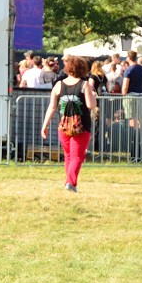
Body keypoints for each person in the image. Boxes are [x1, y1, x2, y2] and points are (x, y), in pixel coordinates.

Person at [39, 54, 98, 193]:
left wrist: (45, 125)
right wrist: (94, 96)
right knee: (77, 156)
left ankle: (69, 181)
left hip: (64, 126)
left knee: (68, 155)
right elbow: (91, 105)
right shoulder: (85, 85)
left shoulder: (58, 85)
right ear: (83, 69)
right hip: (81, 126)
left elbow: (52, 107)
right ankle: (71, 183)